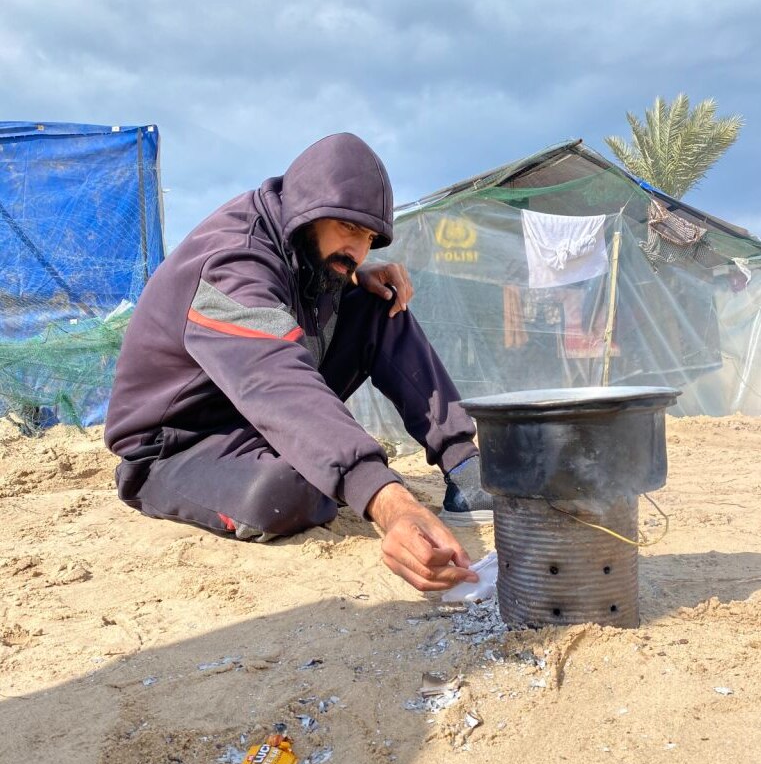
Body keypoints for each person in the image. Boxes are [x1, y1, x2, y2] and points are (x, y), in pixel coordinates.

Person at [105, 132, 493, 592]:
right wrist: (388, 501)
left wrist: (350, 279)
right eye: (349, 229)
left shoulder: (299, 246)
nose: (359, 250)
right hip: (180, 441)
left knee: (379, 301)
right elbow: (275, 377)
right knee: (284, 491)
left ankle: (464, 465)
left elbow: (308, 304)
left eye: (369, 238)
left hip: (252, 415)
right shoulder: (232, 261)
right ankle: (314, 466)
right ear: (308, 212)